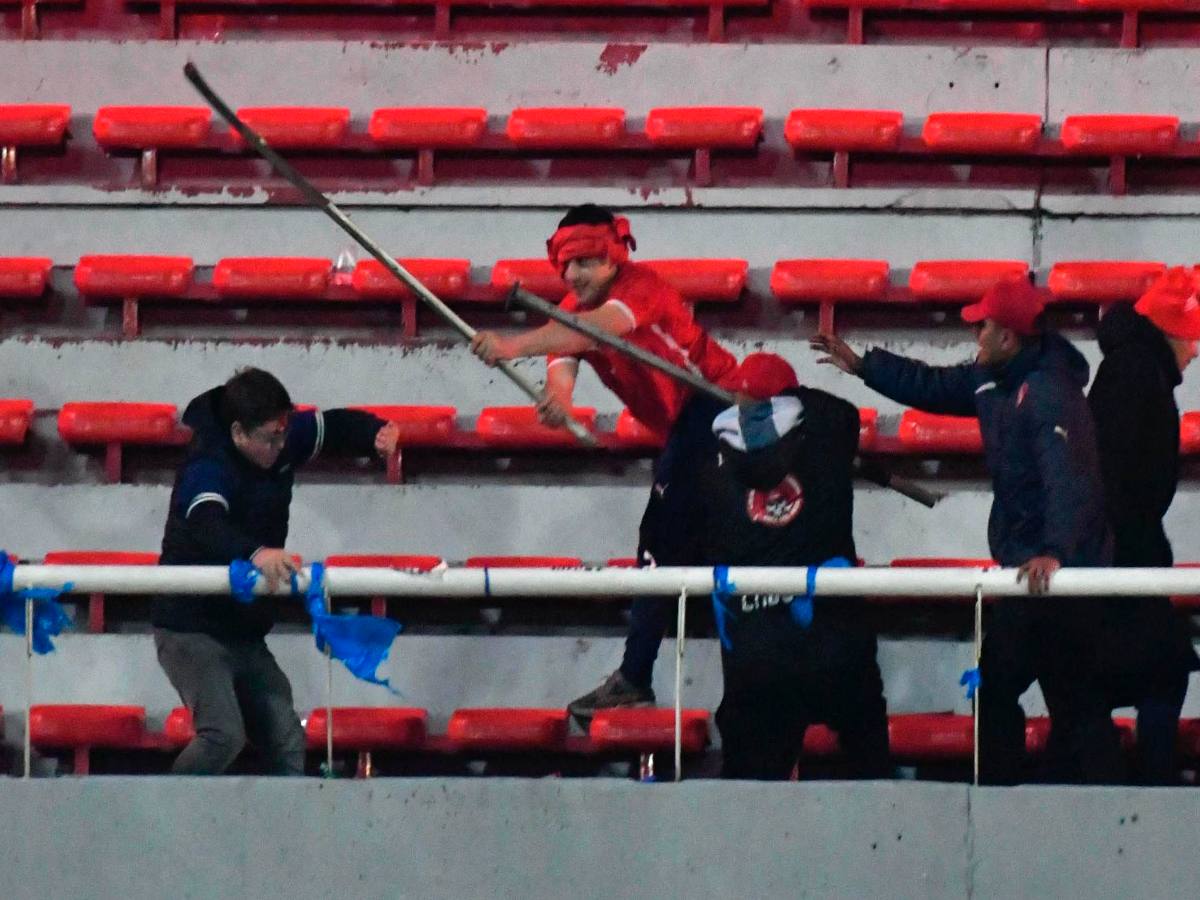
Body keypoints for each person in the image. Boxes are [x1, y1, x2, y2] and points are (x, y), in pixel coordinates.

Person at [811, 276, 1120, 784]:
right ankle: (1081, 798)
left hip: (1056, 577)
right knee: (1055, 695)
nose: (975, 336)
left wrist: (1055, 553)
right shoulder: (998, 381)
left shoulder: (1047, 395)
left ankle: (1015, 795)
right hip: (1035, 569)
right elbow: (932, 385)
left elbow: (1071, 480)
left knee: (1023, 689)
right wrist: (865, 366)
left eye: (984, 327)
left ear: (1009, 337)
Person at [469, 204, 738, 719]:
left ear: (615, 259)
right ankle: (647, 676)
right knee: (686, 548)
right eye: (566, 265)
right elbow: (563, 363)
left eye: (587, 263)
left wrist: (511, 345)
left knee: (663, 542)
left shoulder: (642, 289)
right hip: (687, 428)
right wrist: (559, 401)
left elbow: (591, 333)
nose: (573, 275)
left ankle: (637, 676)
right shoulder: (572, 309)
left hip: (720, 407)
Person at [153, 367, 399, 775]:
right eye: (272, 438)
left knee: (286, 734)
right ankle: (161, 823)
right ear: (237, 434)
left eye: (284, 433)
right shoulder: (207, 465)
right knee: (222, 735)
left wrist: (374, 431)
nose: (283, 444)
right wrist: (255, 553)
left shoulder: (276, 435)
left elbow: (329, 426)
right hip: (188, 629)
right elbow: (206, 523)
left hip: (243, 632)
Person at [698, 353, 890, 780]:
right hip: (832, 638)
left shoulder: (710, 461)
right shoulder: (828, 431)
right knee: (871, 782)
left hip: (753, 648)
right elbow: (840, 411)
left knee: (750, 799)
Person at [1087, 267, 1200, 784]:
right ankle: (1146, 786)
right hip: (1124, 553)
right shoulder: (1138, 376)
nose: (1196, 352)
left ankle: (1119, 776)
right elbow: (1123, 478)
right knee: (1162, 670)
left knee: (1142, 673)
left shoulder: (1130, 369)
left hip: (1122, 550)